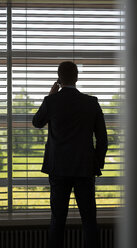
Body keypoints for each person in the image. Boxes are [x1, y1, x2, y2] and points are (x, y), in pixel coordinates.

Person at [32, 61, 108, 248]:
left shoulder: (51, 101)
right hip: (85, 169)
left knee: (58, 220)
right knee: (89, 220)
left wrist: (50, 96)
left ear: (59, 78)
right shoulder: (91, 103)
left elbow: (37, 122)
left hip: (58, 169)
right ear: (77, 77)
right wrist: (95, 163)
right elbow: (103, 139)